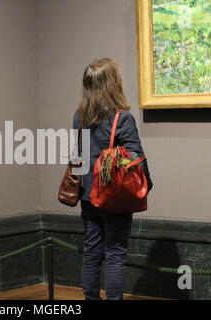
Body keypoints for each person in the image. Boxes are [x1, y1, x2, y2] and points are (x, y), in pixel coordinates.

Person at [73, 58, 153, 300]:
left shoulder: (80, 116)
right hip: (113, 196)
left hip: (87, 195)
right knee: (115, 254)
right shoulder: (122, 118)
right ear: (112, 83)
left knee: (92, 252)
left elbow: (80, 155)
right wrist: (147, 183)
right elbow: (136, 158)